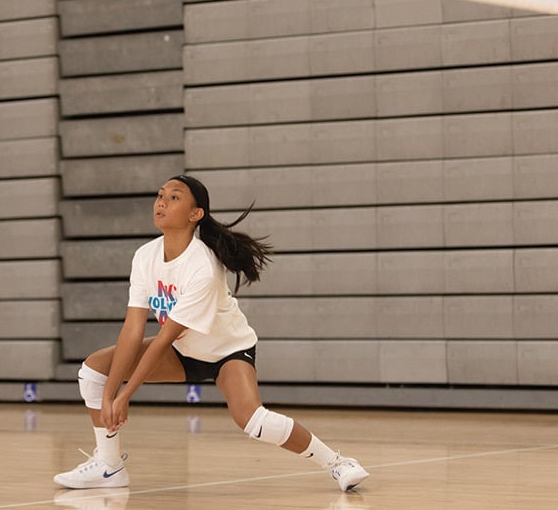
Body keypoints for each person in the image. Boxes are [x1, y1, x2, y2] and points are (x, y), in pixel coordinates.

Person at [53, 175, 369, 492]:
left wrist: (124, 396)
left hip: (227, 352)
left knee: (253, 420)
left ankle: (338, 463)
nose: (162, 202)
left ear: (196, 214)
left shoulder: (202, 265)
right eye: (160, 195)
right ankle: (109, 467)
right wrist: (109, 395)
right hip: (184, 351)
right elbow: (133, 329)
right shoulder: (145, 256)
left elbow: (163, 339)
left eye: (174, 197)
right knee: (93, 372)